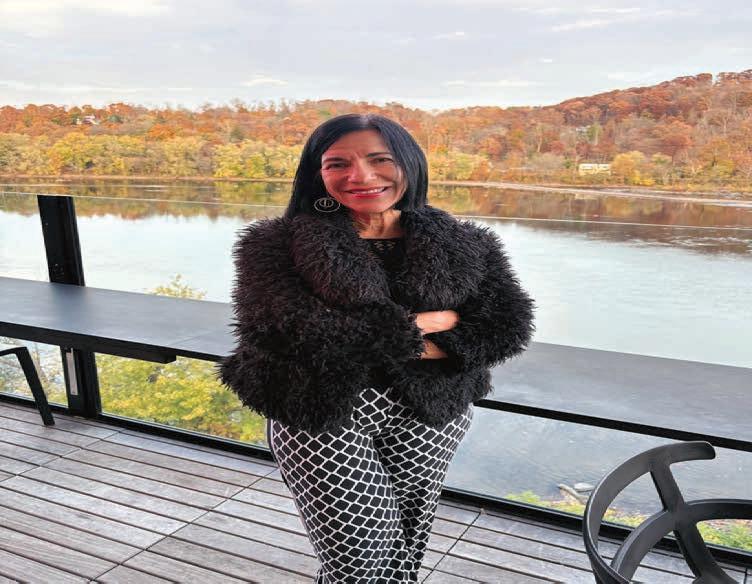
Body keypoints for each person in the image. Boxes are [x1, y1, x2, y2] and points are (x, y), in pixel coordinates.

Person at [217, 113, 535, 583]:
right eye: (338, 163)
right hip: (323, 412)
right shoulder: (276, 243)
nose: (361, 176)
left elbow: (506, 325)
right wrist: (434, 324)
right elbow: (286, 332)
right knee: (358, 562)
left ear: (408, 163)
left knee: (406, 547)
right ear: (318, 174)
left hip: (431, 410)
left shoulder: (463, 241)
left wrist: (370, 338)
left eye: (379, 159)